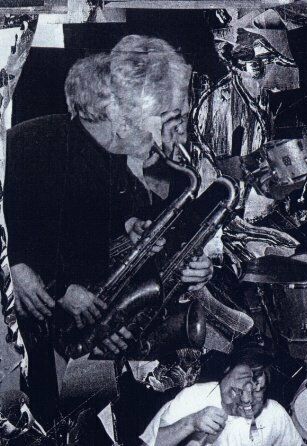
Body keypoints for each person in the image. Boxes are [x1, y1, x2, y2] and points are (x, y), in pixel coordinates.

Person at [4, 35, 213, 430]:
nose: (155, 134)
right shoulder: (33, 142)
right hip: (21, 332)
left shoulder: (112, 157)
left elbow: (80, 231)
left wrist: (129, 227)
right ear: (112, 112)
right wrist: (20, 268)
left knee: (81, 420)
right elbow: (30, 228)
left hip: (73, 329)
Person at [140, 344, 304, 446]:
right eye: (238, 389)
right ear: (227, 371)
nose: (246, 399)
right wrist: (190, 423)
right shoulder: (194, 396)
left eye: (257, 390)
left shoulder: (274, 413)